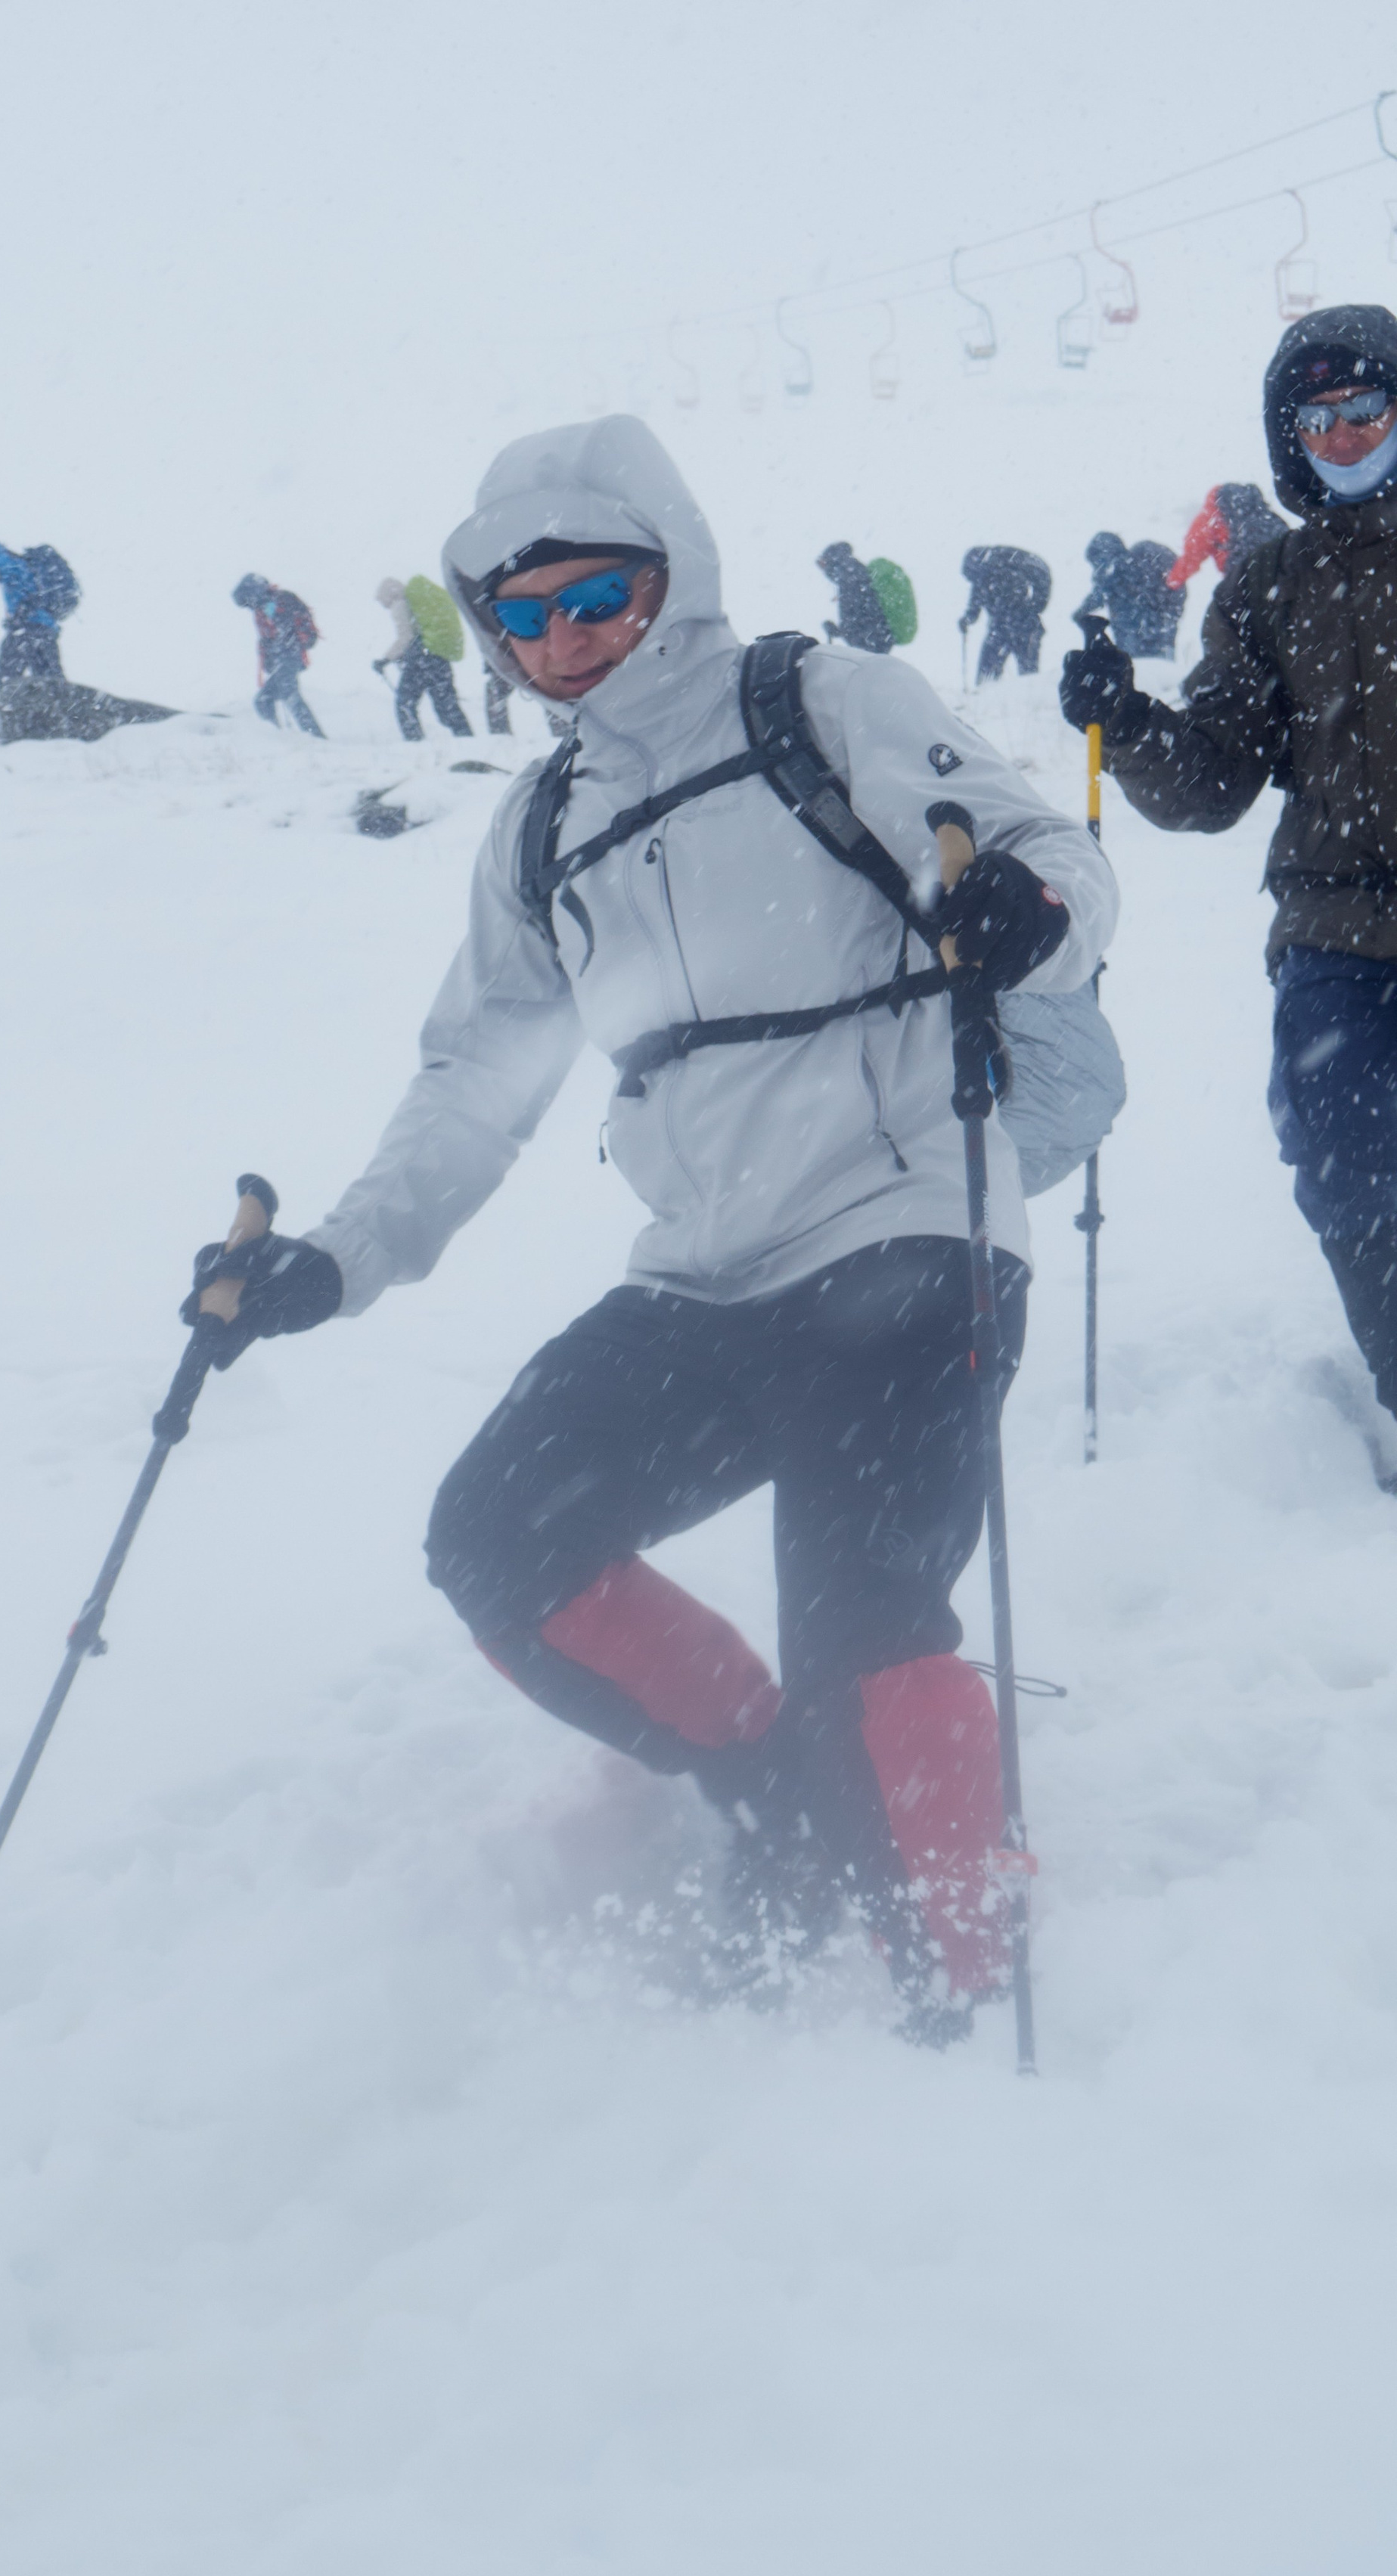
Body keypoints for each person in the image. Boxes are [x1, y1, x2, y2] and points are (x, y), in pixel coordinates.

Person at [193, 417, 1116, 2041]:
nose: (563, 637)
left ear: (664, 574)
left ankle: (958, 1987)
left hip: (906, 1228)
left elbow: (1041, 846)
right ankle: (776, 1783)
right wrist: (334, 1258)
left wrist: (1024, 907)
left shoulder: (815, 701)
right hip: (701, 1275)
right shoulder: (537, 826)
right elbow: (474, 1079)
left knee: (867, 1617)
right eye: (525, 614)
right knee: (493, 1535)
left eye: (597, 591)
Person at [1062, 306, 1397, 1458]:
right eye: (1323, 421)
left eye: (1368, 412)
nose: (1347, 438)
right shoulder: (1266, 587)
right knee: (1348, 1165)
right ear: (1289, 434)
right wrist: (1128, 719)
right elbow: (1212, 783)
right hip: (1333, 930)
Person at [0, 541, 173, 743]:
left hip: (25, 629)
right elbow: (1, 578)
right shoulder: (23, 564)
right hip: (45, 628)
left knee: (7, 674)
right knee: (51, 677)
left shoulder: (2, 560)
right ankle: (62, 720)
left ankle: (14, 720)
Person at [375, 575, 473, 740]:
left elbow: (405, 637)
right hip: (439, 658)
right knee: (447, 707)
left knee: (405, 703)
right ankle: (467, 739)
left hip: (421, 660)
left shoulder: (399, 604)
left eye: (382, 602)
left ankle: (416, 743)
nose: (384, 607)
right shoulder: (419, 604)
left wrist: (385, 659)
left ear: (387, 595)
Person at [233, 575, 324, 736]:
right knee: (265, 700)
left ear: (253, 593)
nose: (250, 607)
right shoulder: (264, 607)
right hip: (285, 658)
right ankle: (282, 737)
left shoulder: (280, 601)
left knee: (286, 696)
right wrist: (270, 659)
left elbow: (282, 632)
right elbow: (268, 639)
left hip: (290, 656)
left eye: (248, 601)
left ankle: (309, 737)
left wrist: (277, 654)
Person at [1166, 481, 1289, 594]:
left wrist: (1172, 581)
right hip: (1281, 558)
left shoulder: (1212, 512)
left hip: (1246, 568)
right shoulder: (1257, 509)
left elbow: (1193, 552)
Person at [1075, 531, 1182, 659]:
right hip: (1161, 626)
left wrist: (1081, 612)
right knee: (1161, 667)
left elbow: (1101, 592)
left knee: (1135, 667)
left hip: (1133, 633)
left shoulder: (1116, 569)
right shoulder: (1138, 563)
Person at [959, 545, 1052, 683]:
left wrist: (969, 618)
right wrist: (1034, 606)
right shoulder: (989, 571)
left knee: (989, 675)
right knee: (1028, 675)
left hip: (1011, 626)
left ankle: (985, 695)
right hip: (1021, 625)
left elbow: (977, 598)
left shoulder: (995, 569)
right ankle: (1028, 698)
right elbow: (977, 598)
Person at [816, 541, 894, 654]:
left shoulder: (849, 576)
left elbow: (855, 617)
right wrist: (840, 632)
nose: (824, 571)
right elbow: (858, 615)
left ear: (831, 561)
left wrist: (841, 632)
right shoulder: (854, 571)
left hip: (873, 642)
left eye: (823, 564)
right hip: (879, 639)